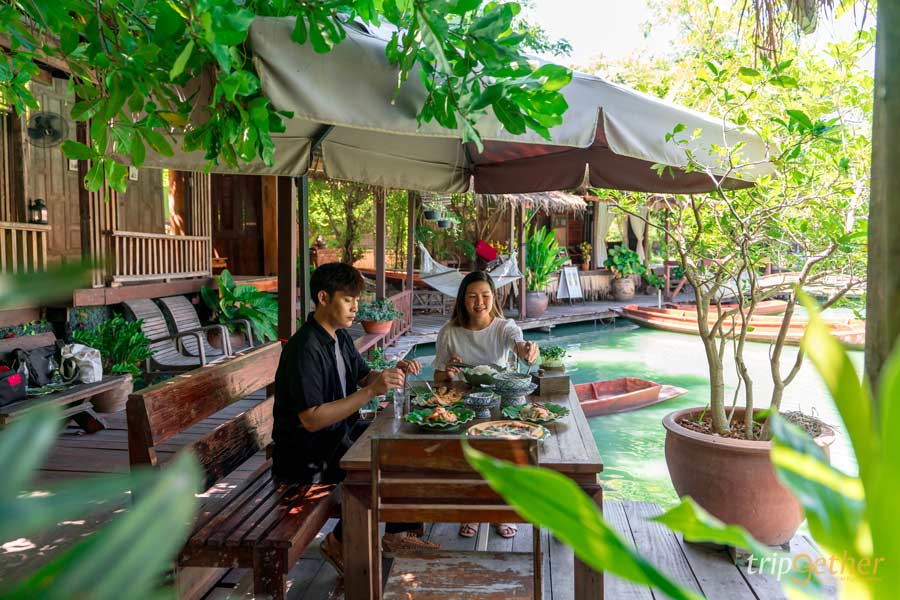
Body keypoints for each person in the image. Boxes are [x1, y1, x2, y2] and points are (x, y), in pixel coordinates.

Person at [272, 263, 438, 576]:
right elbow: (311, 419)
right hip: (307, 454)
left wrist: (390, 374)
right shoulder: (304, 349)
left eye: (357, 300)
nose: (355, 307)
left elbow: (364, 377)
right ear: (323, 298)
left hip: (337, 436)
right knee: (376, 466)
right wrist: (372, 391)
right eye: (348, 300)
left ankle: (398, 533)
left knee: (404, 443)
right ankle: (340, 541)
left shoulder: (340, 338)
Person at [432, 271, 539, 539]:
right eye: (472, 296)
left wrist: (527, 351)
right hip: (464, 403)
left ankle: (503, 511)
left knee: (504, 451)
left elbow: (519, 344)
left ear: (494, 297)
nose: (479, 302)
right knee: (468, 453)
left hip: (502, 402)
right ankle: (473, 511)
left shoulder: (504, 327)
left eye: (485, 296)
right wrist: (449, 373)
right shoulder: (449, 332)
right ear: (462, 299)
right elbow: (438, 377)